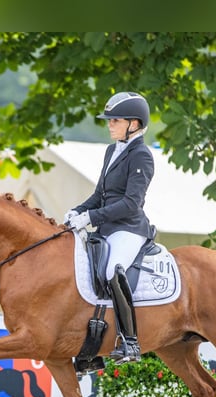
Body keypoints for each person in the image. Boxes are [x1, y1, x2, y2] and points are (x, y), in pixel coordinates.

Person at [65, 91, 155, 363]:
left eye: (115, 120)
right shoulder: (111, 151)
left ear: (134, 124)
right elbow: (99, 194)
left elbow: (131, 203)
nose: (110, 124)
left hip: (128, 229)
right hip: (105, 228)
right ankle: (92, 346)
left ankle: (130, 341)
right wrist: (78, 210)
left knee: (112, 270)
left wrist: (91, 217)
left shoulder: (142, 156)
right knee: (79, 269)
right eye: (110, 120)